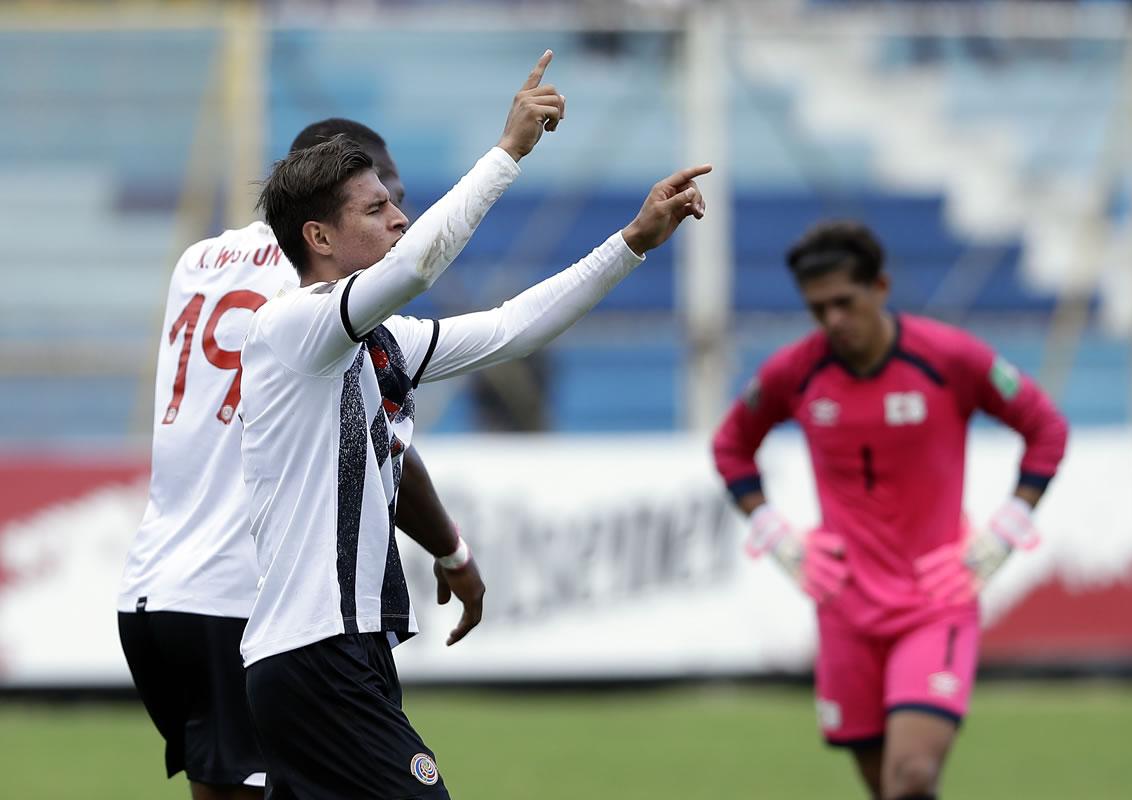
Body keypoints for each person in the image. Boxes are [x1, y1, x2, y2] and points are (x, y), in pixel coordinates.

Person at [239, 49, 709, 798]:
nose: (400, 216)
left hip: (336, 651)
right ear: (318, 239)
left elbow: (511, 330)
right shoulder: (293, 329)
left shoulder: (378, 343)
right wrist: (510, 151)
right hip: (315, 651)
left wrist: (632, 244)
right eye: (375, 209)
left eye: (396, 203)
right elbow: (419, 268)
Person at [116, 117, 466, 799]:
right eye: (378, 198)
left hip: (152, 591)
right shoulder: (325, 294)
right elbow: (383, 447)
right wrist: (454, 551)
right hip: (249, 596)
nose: (396, 217)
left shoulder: (200, 260)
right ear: (320, 213)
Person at [711, 221, 1068, 800]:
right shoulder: (794, 372)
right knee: (886, 787)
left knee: (913, 778)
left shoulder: (948, 358)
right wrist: (776, 535)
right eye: (817, 308)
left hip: (936, 600)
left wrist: (1003, 533)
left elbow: (1046, 428)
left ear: (880, 286)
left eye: (844, 303)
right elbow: (730, 446)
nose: (832, 322)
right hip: (844, 606)